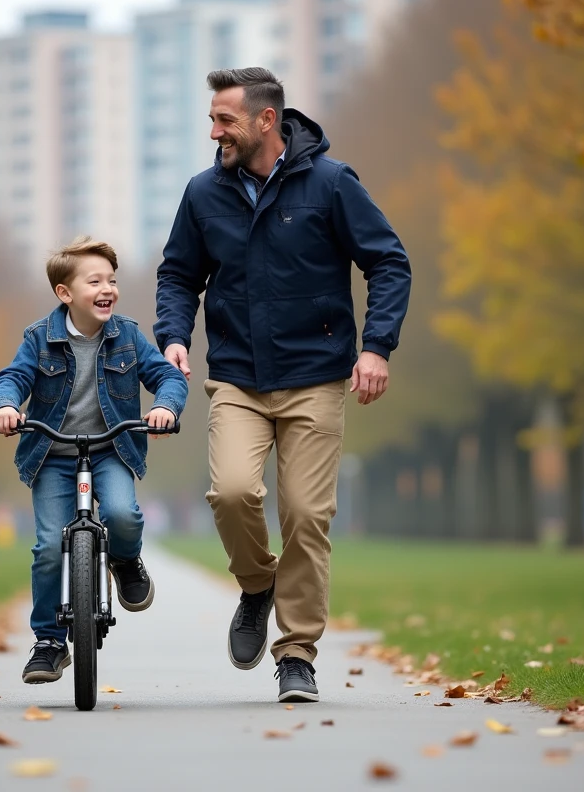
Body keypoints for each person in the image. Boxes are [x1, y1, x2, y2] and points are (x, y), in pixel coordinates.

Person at [154, 67, 411, 703]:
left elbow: (387, 261)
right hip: (238, 376)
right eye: (212, 118)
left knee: (305, 515)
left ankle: (296, 654)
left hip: (316, 376)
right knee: (234, 493)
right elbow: (178, 274)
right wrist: (173, 335)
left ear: (267, 121)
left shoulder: (330, 184)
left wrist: (376, 346)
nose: (213, 131)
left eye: (224, 120)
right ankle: (256, 584)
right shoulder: (203, 192)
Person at [0, 236, 189, 684]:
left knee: (121, 513)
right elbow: (13, 378)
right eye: (95, 280)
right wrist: (5, 406)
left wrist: (165, 407)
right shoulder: (39, 338)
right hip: (53, 454)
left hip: (110, 449)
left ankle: (125, 561)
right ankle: (49, 641)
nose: (108, 289)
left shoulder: (129, 336)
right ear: (65, 293)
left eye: (112, 280)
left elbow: (166, 377)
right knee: (46, 548)